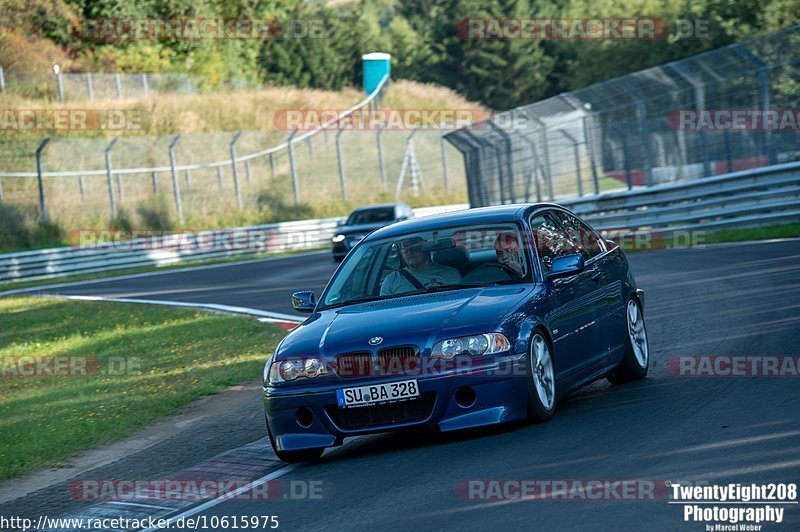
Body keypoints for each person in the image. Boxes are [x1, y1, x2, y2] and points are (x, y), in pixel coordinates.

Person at [380, 237, 462, 295]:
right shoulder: (391, 280)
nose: (409, 251)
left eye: (415, 246)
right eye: (405, 246)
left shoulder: (449, 274)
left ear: (427, 247)